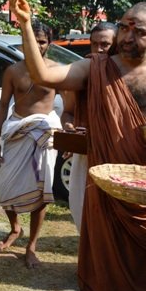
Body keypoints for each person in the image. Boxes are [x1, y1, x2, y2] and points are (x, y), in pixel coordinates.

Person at [9, 0, 146, 291]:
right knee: (112, 255)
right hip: (110, 183)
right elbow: (43, 75)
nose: (127, 36)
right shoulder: (94, 68)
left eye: (139, 31)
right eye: (124, 27)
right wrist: (25, 24)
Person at [0, 19, 61, 269]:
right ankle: (15, 229)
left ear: (49, 43)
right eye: (33, 40)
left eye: (42, 41)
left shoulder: (56, 70)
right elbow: (3, 104)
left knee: (42, 192)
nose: (37, 45)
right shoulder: (12, 71)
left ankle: (32, 246)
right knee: (6, 187)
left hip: (43, 135)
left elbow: (74, 103)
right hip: (17, 132)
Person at [60, 21, 117, 232]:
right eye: (94, 44)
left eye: (105, 44)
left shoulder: (127, 74)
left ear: (117, 45)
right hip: (85, 153)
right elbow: (68, 112)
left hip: (118, 155)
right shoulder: (84, 73)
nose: (99, 50)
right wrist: (69, 127)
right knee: (80, 206)